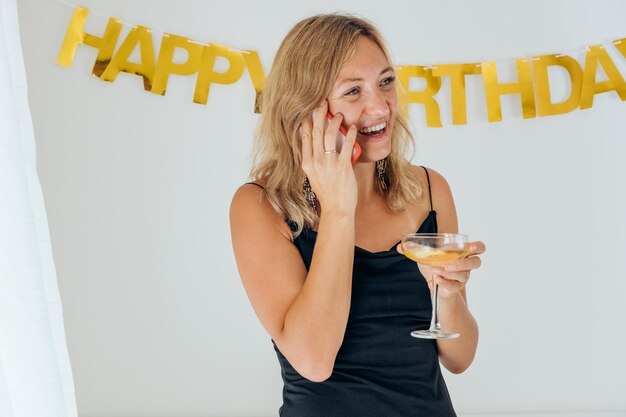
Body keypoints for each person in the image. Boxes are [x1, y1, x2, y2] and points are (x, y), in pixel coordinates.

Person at [229, 13, 486, 417]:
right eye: (352, 91)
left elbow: (460, 358)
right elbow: (314, 361)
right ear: (305, 108)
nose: (380, 105)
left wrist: (449, 295)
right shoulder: (260, 206)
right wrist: (338, 209)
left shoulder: (429, 190)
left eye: (385, 82)